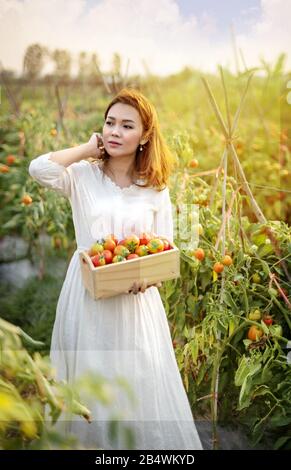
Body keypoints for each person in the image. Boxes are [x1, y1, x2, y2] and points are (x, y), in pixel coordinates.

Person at [28, 87, 203, 450]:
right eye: (109, 123)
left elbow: (166, 245)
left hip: (135, 301)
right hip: (87, 293)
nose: (114, 131)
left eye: (126, 125)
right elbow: (38, 168)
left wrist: (146, 279)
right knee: (91, 380)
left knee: (138, 381)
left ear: (145, 136)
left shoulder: (154, 188)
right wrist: (88, 149)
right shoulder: (82, 176)